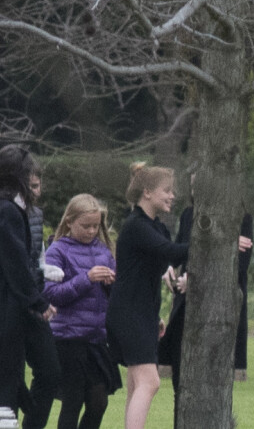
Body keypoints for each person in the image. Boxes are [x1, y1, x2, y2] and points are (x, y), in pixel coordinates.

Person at [0, 144, 61, 429]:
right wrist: (38, 302)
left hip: (11, 306)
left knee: (47, 371)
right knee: (3, 385)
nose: (34, 180)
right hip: (5, 309)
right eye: (28, 174)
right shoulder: (4, 211)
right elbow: (14, 264)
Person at [159, 173, 253, 428]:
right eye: (192, 186)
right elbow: (178, 251)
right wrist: (168, 267)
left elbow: (238, 269)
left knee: (214, 386)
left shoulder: (240, 218)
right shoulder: (189, 215)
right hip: (185, 311)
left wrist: (198, 280)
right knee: (182, 385)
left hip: (217, 315)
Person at [106, 162, 189, 429]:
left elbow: (166, 257)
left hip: (140, 313)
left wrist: (154, 317)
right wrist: (218, 241)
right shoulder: (136, 226)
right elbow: (174, 253)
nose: (172, 196)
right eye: (167, 191)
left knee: (136, 384)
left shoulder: (155, 227)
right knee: (149, 382)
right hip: (129, 313)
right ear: (147, 193)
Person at [43, 194, 121, 429]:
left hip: (96, 338)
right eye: (85, 226)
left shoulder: (104, 251)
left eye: (95, 226)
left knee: (99, 401)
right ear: (69, 222)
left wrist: (111, 284)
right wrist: (86, 279)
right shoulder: (57, 250)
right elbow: (52, 294)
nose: (91, 231)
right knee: (73, 401)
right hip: (68, 337)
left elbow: (114, 296)